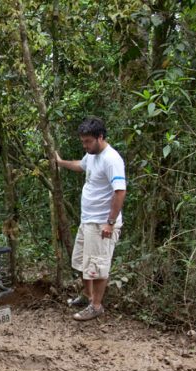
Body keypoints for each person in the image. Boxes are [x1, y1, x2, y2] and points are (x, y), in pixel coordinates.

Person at [56, 117, 127, 321]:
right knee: (80, 261)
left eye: (88, 141)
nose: (85, 146)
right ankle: (87, 296)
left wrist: (110, 222)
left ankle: (96, 305)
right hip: (87, 220)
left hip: (101, 223)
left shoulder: (111, 159)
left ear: (100, 137)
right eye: (83, 142)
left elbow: (120, 192)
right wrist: (61, 163)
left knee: (97, 266)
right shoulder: (92, 155)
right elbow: (82, 165)